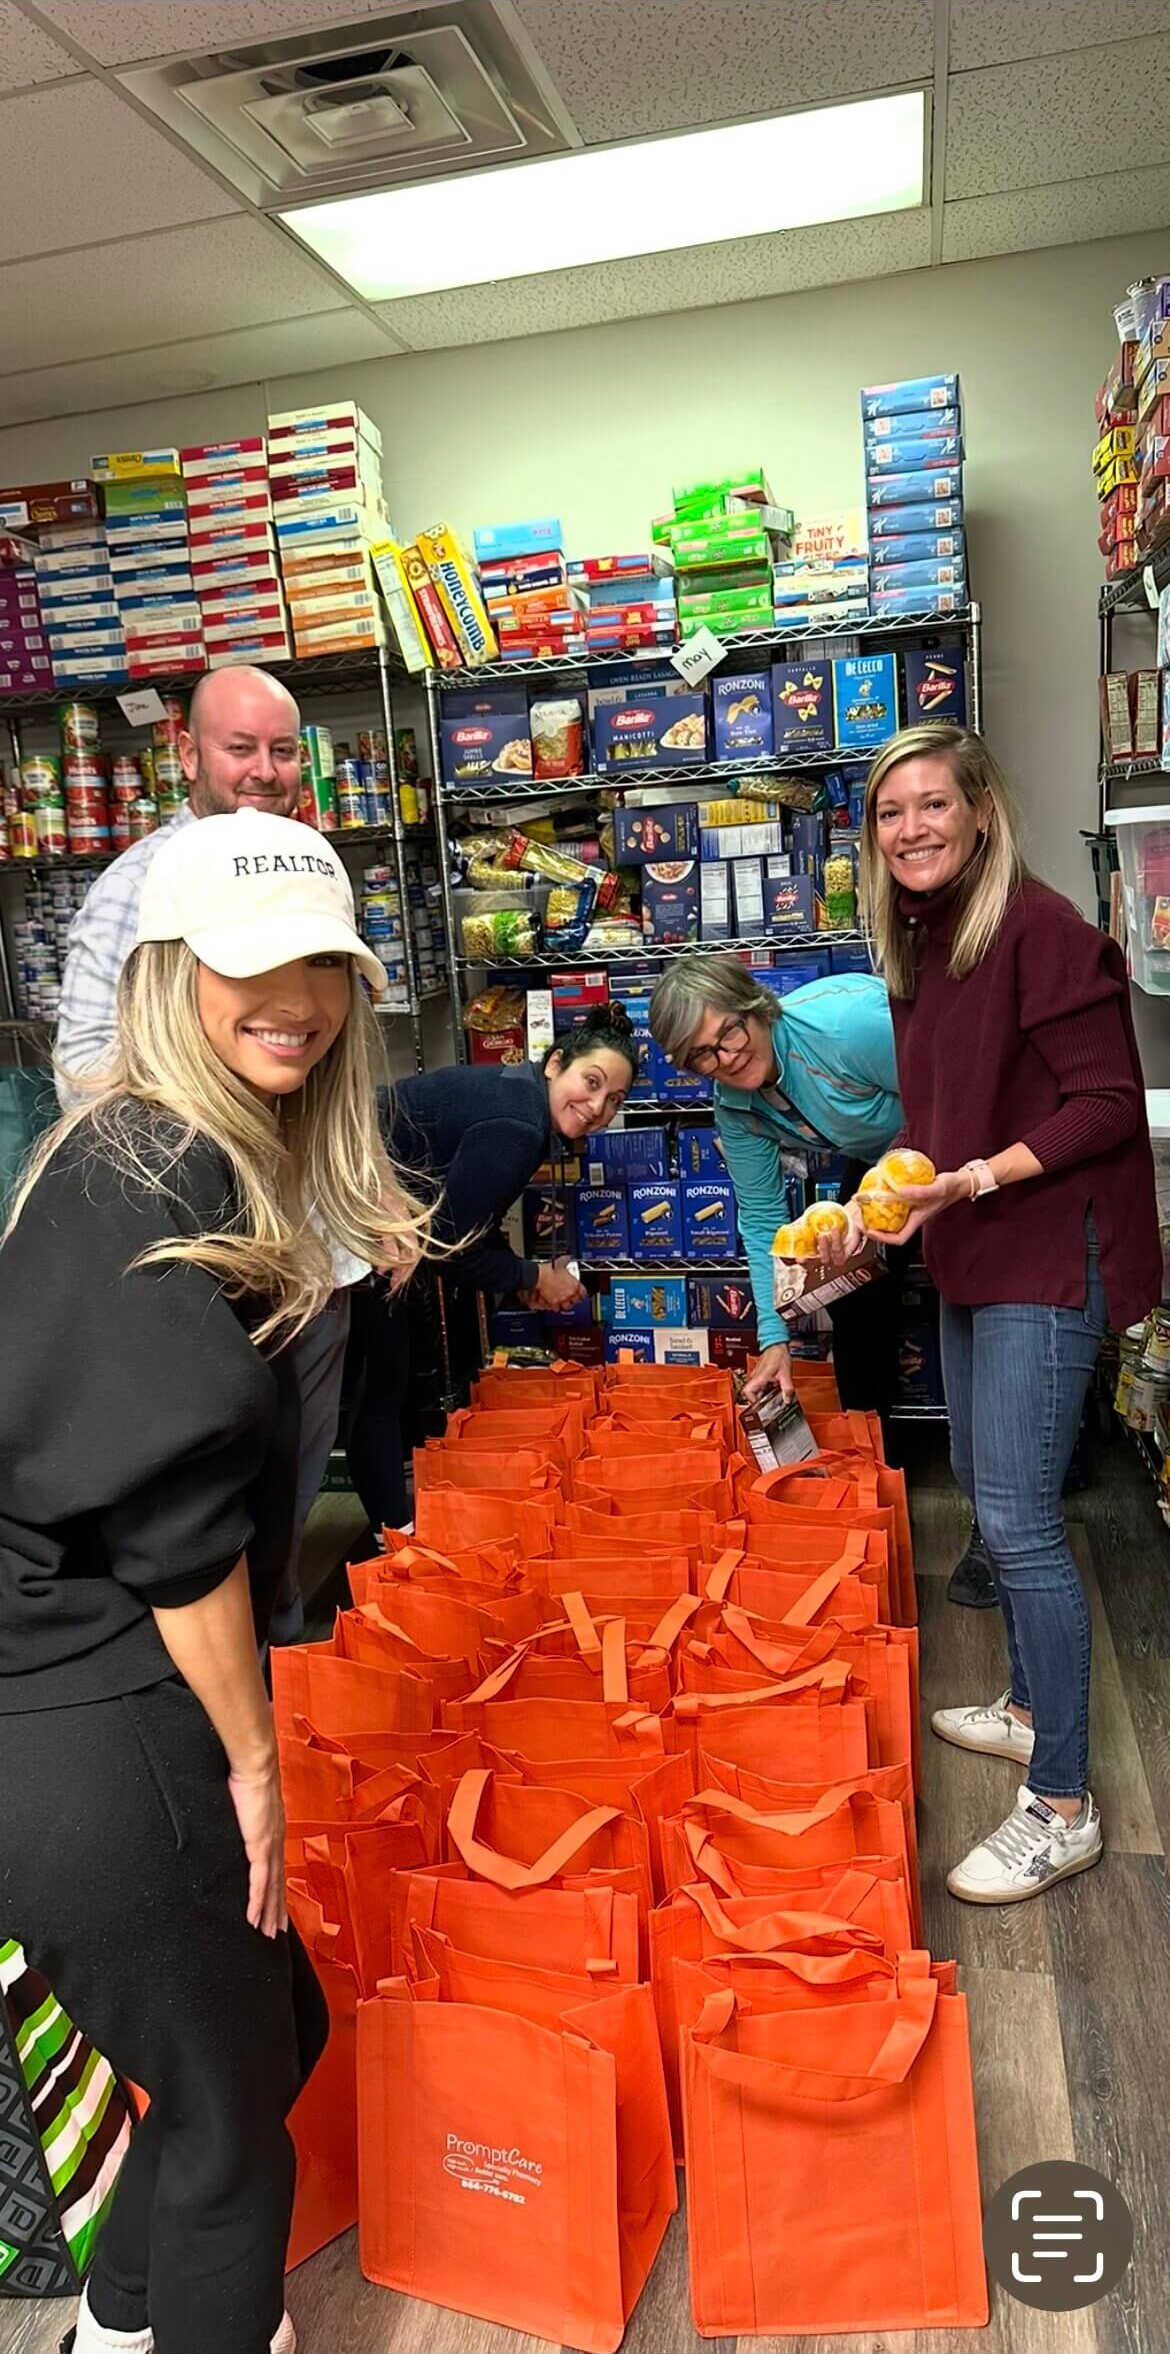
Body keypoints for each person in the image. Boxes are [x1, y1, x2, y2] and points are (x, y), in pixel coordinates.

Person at [0, 810, 431, 2354]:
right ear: (170, 973)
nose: (293, 996)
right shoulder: (154, 1170)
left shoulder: (140, 1150)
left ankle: (124, 2324)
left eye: (322, 961)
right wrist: (255, 1763)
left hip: (63, 1702)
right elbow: (179, 1535)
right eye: (250, 964)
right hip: (93, 1720)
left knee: (266, 2031)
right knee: (242, 2114)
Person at [851, 719, 1160, 1904]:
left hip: (1048, 1249)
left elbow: (1105, 1106)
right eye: (891, 812)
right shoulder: (921, 943)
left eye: (933, 804)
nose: (913, 828)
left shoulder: (1037, 928)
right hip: (977, 1245)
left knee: (1024, 1522)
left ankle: (1065, 1804)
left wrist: (968, 1180)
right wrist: (890, 1204)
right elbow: (948, 1111)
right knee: (987, 1487)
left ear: (980, 808)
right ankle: (1032, 1705)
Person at [54, 665, 358, 1645]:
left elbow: (344, 1058)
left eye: (281, 750)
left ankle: (281, 1656)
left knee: (289, 1496)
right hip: (208, 1260)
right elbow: (84, 1071)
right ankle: (234, 1713)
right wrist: (210, 1147)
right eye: (241, 748)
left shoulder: (310, 860)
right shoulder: (135, 888)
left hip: (311, 1256)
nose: (265, 772)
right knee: (201, 1515)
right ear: (185, 752)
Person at [345, 1003, 639, 1530]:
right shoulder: (519, 1125)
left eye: (613, 1099)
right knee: (381, 1387)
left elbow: (465, 1217)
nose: (597, 1106)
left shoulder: (519, 1094)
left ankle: (395, 1522)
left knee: (385, 1385)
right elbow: (450, 1245)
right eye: (590, 1082)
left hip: (368, 1212)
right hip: (354, 1216)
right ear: (554, 1064)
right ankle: (395, 1537)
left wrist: (520, 1275)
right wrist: (531, 1277)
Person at [647, 951, 907, 1425]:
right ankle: (873, 1463)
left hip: (965, 1138)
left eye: (728, 1031)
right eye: (702, 1054)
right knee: (854, 1299)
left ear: (755, 1006)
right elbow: (763, 1215)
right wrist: (774, 1338)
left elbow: (957, 1095)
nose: (725, 1058)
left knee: (968, 1278)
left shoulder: (848, 1027)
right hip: (878, 1162)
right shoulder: (735, 1108)